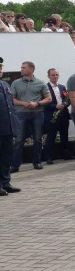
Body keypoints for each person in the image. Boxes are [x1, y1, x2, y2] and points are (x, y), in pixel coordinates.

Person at [10, 61, 51, 172]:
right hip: (21, 114)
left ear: (31, 69)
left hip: (37, 113)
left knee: (37, 139)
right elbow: (11, 99)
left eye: (24, 67)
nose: (21, 69)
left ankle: (37, 162)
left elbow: (48, 98)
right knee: (18, 140)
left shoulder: (41, 83)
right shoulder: (15, 83)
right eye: (21, 67)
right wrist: (23, 103)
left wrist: (37, 103)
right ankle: (15, 165)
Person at [43, 68, 73, 164]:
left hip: (63, 115)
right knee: (51, 136)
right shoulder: (45, 88)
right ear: (48, 76)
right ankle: (49, 157)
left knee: (64, 135)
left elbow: (67, 99)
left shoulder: (62, 87)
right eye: (53, 75)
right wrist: (55, 106)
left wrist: (65, 104)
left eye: (57, 75)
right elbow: (44, 103)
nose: (55, 77)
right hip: (52, 116)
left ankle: (66, 154)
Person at [0, 57, 21, 195]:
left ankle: (5, 182)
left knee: (6, 157)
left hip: (7, 127)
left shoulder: (5, 85)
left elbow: (10, 106)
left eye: (1, 67)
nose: (0, 70)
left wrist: (15, 124)